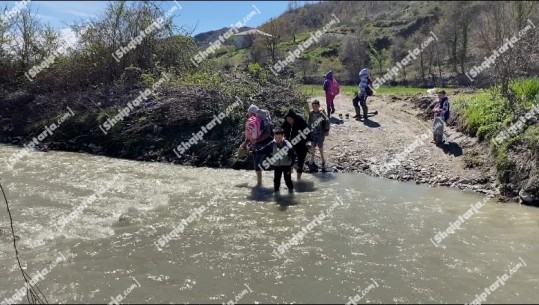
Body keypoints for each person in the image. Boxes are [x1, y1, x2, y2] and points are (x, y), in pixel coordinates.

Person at [254, 127, 297, 193]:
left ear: (283, 136)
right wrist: (256, 152)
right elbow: (264, 150)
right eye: (276, 137)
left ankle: (291, 194)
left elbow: (293, 155)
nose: (277, 139)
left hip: (287, 165)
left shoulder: (287, 144)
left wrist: (292, 164)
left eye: (279, 138)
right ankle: (277, 195)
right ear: (274, 136)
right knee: (276, 181)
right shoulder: (272, 143)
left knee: (288, 181)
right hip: (277, 165)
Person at [239, 104, 272, 187]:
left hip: (264, 143)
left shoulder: (263, 119)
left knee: (257, 162)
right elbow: (250, 134)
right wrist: (246, 143)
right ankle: (259, 180)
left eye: (249, 113)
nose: (248, 115)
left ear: (252, 113)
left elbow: (268, 133)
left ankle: (259, 184)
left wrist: (256, 141)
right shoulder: (255, 120)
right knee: (256, 162)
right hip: (257, 143)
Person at [282, 109, 310, 180]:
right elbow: (280, 131)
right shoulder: (286, 123)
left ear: (293, 117)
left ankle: (298, 179)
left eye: (291, 119)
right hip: (290, 145)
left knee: (300, 162)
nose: (289, 121)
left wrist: (307, 141)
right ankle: (289, 178)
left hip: (301, 144)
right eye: (288, 119)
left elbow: (308, 132)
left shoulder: (300, 121)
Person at [307, 100, 330, 172]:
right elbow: (309, 122)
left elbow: (327, 121)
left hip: (320, 132)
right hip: (313, 132)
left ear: (319, 106)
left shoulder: (321, 113)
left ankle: (323, 160)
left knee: (320, 146)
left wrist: (327, 130)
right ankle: (312, 160)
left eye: (316, 106)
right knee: (313, 145)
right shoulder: (311, 113)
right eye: (313, 106)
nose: (314, 108)